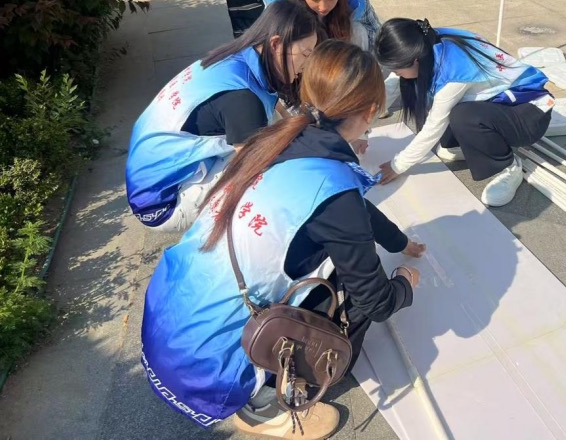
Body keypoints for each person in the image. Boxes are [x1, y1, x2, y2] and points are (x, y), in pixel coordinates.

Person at [140, 40, 424, 438]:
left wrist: (397, 241)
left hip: (170, 320)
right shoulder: (335, 190)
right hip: (207, 366)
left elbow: (348, 207)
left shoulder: (274, 139)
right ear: (371, 111)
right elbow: (375, 301)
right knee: (351, 287)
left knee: (331, 255)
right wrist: (405, 283)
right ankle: (263, 404)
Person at [125, 0, 321, 233]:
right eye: (306, 54)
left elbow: (274, 104)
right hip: (163, 203)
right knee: (278, 170)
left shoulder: (238, 57)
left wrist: (297, 120)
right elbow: (258, 171)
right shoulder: (243, 100)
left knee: (275, 132)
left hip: (150, 176)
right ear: (276, 44)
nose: (306, 65)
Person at [375, 18, 554, 208]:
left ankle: (508, 167)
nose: (394, 72)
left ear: (415, 60)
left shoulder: (454, 70)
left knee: (463, 117)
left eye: (396, 68)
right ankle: (479, 147)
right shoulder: (423, 42)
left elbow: (434, 126)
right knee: (447, 144)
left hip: (528, 113)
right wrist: (360, 129)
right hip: (497, 104)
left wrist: (397, 165)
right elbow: (390, 88)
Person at [263, 0, 400, 121]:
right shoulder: (280, 4)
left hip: (337, 61)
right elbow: (272, 56)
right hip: (299, 70)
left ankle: (350, 95)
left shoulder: (355, 1)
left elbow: (377, 39)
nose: (323, 7)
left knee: (359, 31)